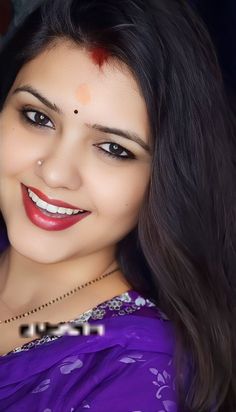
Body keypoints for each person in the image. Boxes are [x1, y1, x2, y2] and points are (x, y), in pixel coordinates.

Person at [0, 0, 235, 411]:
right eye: (37, 118)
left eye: (113, 148)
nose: (55, 173)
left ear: (163, 177)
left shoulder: (137, 377)